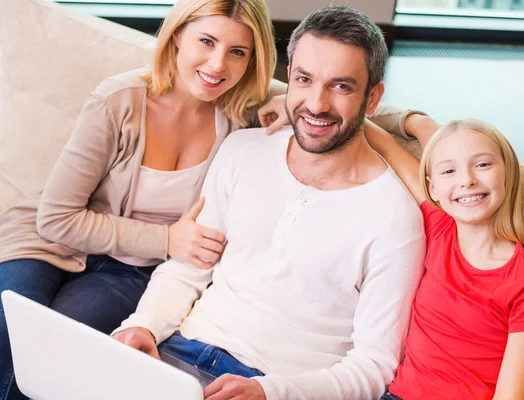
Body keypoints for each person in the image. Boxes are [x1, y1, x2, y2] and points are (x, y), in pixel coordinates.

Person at [113, 5, 426, 400]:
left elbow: (373, 366)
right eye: (304, 79)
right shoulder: (242, 150)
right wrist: (143, 325)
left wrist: (272, 391)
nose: (316, 104)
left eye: (341, 86)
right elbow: (188, 269)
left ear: (372, 98)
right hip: (179, 354)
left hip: (284, 386)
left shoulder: (395, 218)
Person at [0, 0, 283, 398]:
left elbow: (338, 100)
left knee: (55, 357)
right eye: (206, 41)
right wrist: (167, 240)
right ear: (178, 34)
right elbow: (56, 219)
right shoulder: (118, 100)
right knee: (9, 334)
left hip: (133, 272)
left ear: (252, 60)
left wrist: (404, 122)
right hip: (47, 243)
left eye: (237, 52)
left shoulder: (243, 113)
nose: (218, 64)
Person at [365, 118, 524, 400]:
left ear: (508, 174)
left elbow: (510, 395)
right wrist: (414, 121)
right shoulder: (439, 228)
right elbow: (386, 144)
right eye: (449, 171)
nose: (467, 180)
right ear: (432, 189)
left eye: (482, 165)